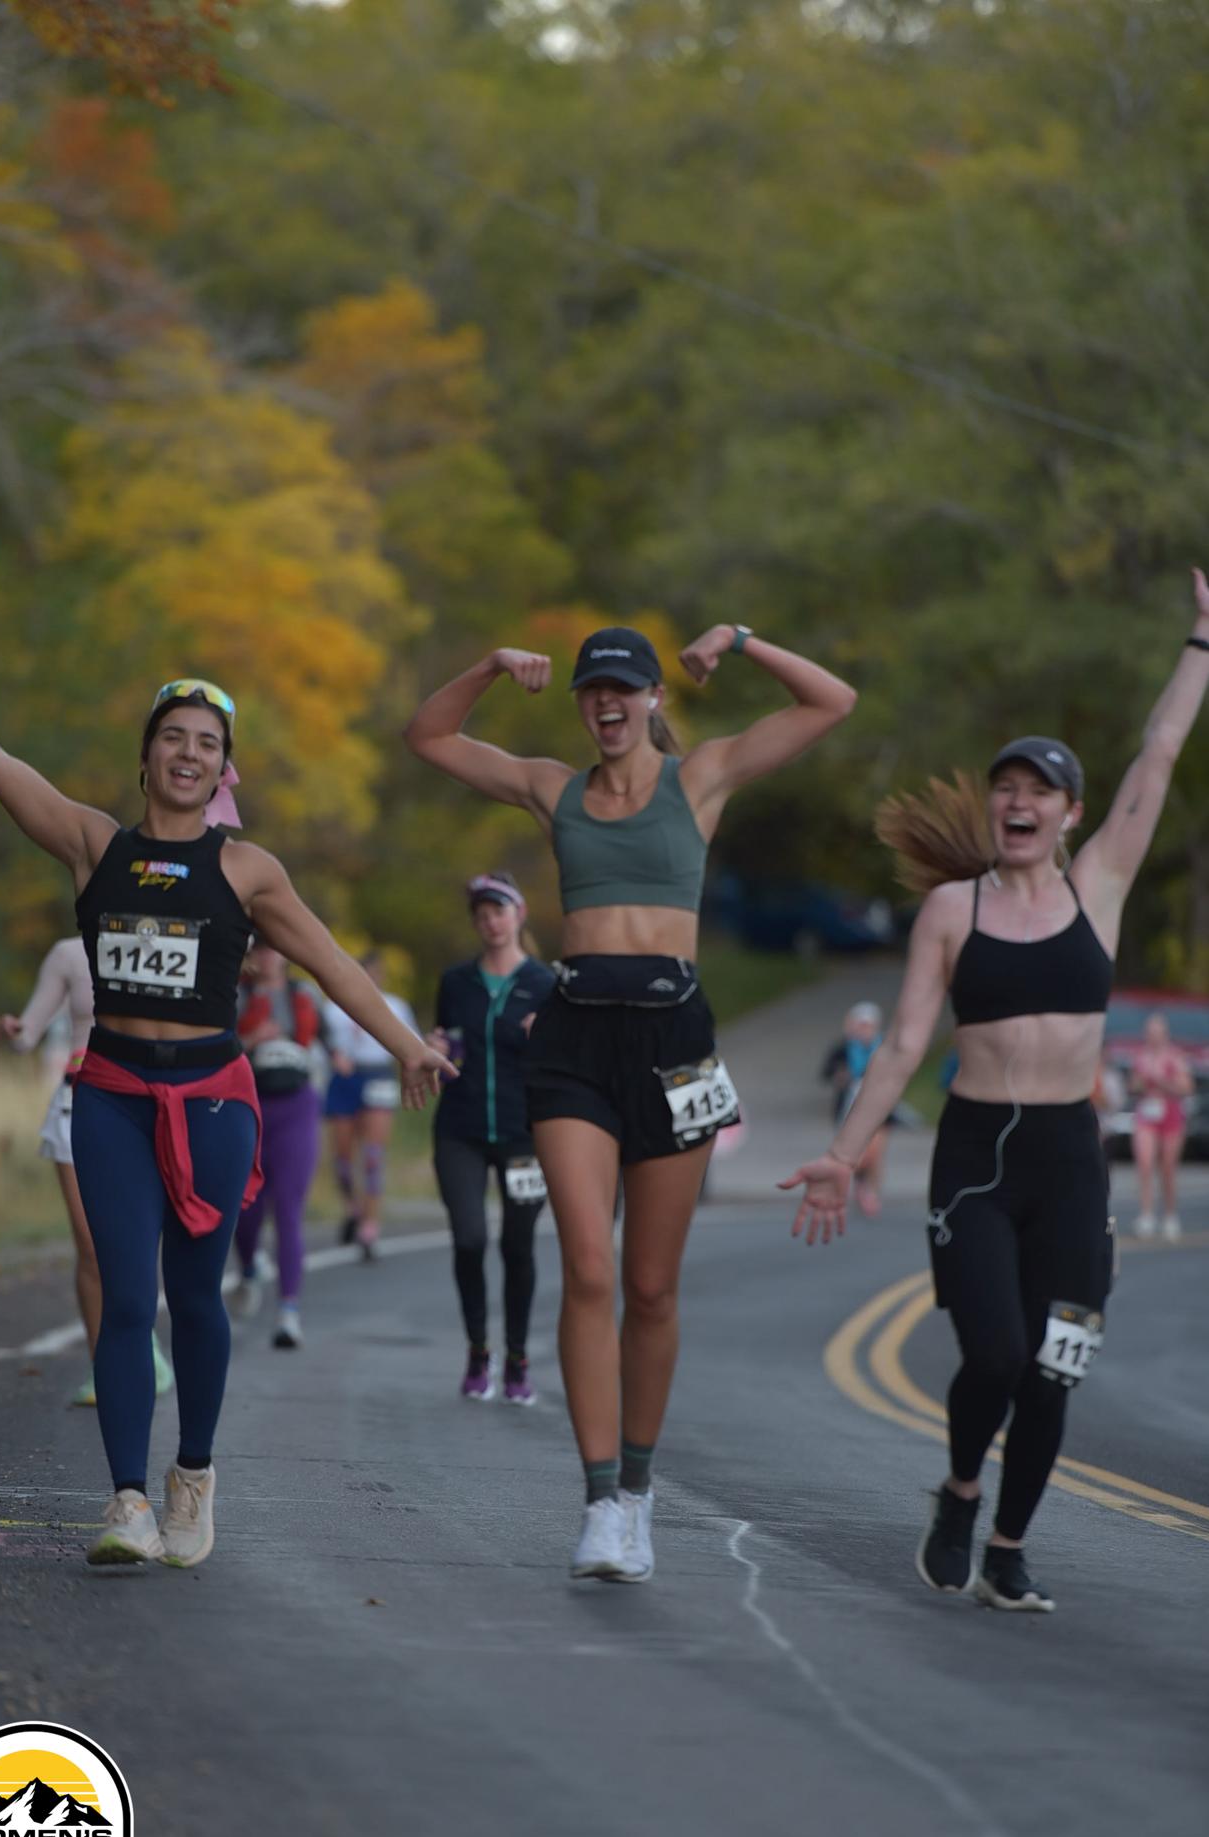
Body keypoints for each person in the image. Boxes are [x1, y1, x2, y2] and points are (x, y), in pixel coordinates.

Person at [0, 649, 453, 1568]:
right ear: (145, 757)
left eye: (206, 744)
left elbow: (332, 964)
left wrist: (406, 1044)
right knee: (126, 1298)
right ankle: (128, 1501)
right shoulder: (94, 845)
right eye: (172, 737)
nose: (188, 753)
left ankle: (192, 1475)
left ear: (224, 770)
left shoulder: (248, 871)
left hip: (212, 1101)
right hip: (112, 1097)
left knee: (194, 1296)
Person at [782, 576, 1209, 1612]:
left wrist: (1201, 642)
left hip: (1068, 1161)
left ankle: (1009, 1548)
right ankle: (961, 1491)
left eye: (1039, 791)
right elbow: (902, 1046)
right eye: (1006, 786)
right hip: (976, 1159)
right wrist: (844, 1150)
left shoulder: (1099, 884)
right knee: (997, 1352)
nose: (1019, 801)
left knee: (1056, 1366)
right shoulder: (949, 909)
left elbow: (1158, 752)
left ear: (1069, 814)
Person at [407, 621, 855, 1581]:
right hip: (573, 1042)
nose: (607, 701)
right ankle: (600, 1503)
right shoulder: (551, 789)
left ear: (654, 698)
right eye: (592, 689)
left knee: (650, 1286)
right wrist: (488, 666)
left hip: (673, 1042)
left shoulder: (704, 778)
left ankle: (641, 1495)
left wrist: (740, 641)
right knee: (588, 1270)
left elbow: (831, 701)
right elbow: (430, 738)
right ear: (580, 703)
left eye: (624, 687)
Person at [0, 935, 174, 1406]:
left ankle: (141, 1339)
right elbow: (29, 1034)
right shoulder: (69, 954)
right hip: (78, 1100)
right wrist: (15, 1032)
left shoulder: (164, 940)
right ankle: (104, 1366)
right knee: (91, 1245)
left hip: (145, 1105)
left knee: (137, 1240)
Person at [428, 872, 556, 1404]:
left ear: (519, 914)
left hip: (525, 1133)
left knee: (517, 1245)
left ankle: (518, 1361)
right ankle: (479, 1351)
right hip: (459, 1129)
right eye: (481, 914)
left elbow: (569, 1062)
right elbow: (446, 1044)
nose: (491, 922)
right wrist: (434, 1048)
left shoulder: (547, 984)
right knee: (469, 1239)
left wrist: (547, 1037)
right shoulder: (456, 982)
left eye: (499, 911)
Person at [234, 944, 326, 1348]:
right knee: (247, 1208)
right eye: (261, 950)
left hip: (297, 1105)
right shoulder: (236, 994)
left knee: (288, 1208)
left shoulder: (303, 994)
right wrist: (253, 1038)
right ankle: (249, 1267)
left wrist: (339, 1056)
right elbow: (216, 1048)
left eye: (274, 949)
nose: (269, 957)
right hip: (249, 1104)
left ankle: (289, 1310)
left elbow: (329, 1039)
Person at [322, 950, 418, 1259]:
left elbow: (411, 1043)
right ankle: (353, 1207)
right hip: (345, 1078)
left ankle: (370, 1224)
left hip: (377, 1075)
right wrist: (334, 1056)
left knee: (373, 1155)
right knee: (343, 1157)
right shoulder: (333, 1007)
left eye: (375, 974)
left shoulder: (395, 1006)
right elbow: (321, 1041)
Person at [819, 1001, 890, 1217]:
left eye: (868, 1026)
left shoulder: (884, 1047)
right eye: (861, 1025)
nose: (864, 1030)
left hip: (878, 1108)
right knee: (851, 1152)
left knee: (875, 1151)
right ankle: (850, 1186)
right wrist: (840, 1076)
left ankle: (870, 1190)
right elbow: (826, 1072)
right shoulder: (843, 1049)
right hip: (848, 1108)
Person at [1128, 1013, 1193, 1241]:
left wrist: (1162, 1081)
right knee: (1145, 1164)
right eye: (1150, 1033)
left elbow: (1186, 1088)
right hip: (1146, 1114)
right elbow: (1133, 1086)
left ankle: (1170, 1214)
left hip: (1170, 1115)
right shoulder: (1141, 1056)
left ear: (1165, 1034)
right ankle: (1146, 1214)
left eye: (1157, 1033)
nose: (1153, 1037)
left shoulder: (1175, 1056)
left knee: (1167, 1168)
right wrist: (1140, 1083)